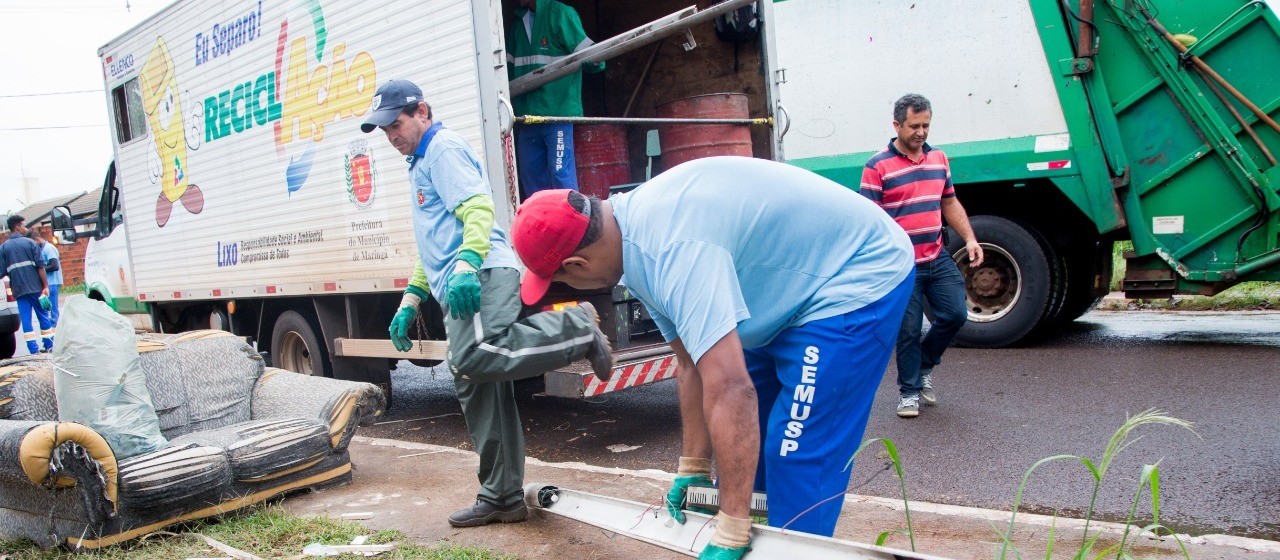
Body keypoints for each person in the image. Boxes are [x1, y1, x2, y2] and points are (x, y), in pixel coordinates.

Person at [509, 156, 916, 559]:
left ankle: (792, 550)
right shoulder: (630, 243)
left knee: (795, 452)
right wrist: (694, 466)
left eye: (560, 278)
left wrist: (731, 527)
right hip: (790, 287)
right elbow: (690, 365)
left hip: (855, 275)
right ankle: (753, 537)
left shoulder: (673, 250)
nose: (567, 286)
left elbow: (731, 389)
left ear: (576, 263)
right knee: (746, 464)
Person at [360, 79, 613, 528]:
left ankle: (576, 328)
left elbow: (477, 210)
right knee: (475, 383)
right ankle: (502, 496)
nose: (391, 135)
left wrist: (466, 265)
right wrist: (411, 299)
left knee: (474, 357)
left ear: (423, 111)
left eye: (396, 124)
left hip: (480, 274)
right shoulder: (418, 162)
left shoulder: (442, 149)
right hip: (461, 276)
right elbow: (432, 243)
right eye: (384, 130)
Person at [859, 94, 983, 419]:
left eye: (926, 125)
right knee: (909, 329)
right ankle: (909, 392)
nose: (921, 132)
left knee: (956, 314)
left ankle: (925, 365)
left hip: (937, 256)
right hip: (901, 265)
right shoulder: (877, 166)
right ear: (897, 125)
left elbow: (950, 202)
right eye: (914, 126)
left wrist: (969, 238)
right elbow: (869, 220)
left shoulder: (939, 159)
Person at [507, 0, 605, 197]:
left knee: (561, 176)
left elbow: (595, 58)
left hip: (556, 116)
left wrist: (595, 60)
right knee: (532, 182)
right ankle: (543, 226)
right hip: (527, 119)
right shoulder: (518, 23)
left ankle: (573, 224)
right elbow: (505, 72)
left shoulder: (561, 14)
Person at [0, 216, 53, 354]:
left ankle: (33, 350)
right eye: (24, 225)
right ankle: (49, 345)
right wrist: (45, 286)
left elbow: (1, 272)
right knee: (43, 316)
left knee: (26, 320)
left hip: (19, 290)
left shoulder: (4, 247)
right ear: (17, 227)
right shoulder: (30, 243)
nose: (26, 228)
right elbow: (40, 267)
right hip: (36, 288)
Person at [28, 232, 63, 326]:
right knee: (47, 307)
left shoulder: (48, 248)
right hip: (47, 282)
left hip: (52, 282)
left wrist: (39, 270)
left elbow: (55, 266)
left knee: (52, 310)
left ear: (37, 239)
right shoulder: (42, 249)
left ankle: (55, 329)